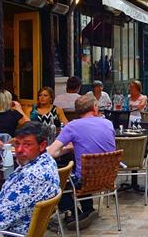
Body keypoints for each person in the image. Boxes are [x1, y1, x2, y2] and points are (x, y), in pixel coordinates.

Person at [48, 94, 116, 228]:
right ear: (94, 108)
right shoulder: (108, 123)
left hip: (85, 181)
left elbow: (50, 152)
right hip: (108, 177)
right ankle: (88, 210)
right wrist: (74, 148)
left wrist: (67, 149)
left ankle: (72, 212)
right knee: (82, 168)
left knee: (57, 178)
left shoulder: (73, 126)